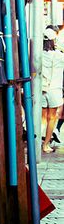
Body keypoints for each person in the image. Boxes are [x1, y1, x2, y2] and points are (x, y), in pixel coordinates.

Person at [41, 26, 64, 154]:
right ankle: (46, 144)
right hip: (54, 90)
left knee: (42, 117)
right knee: (52, 117)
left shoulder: (38, 54)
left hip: (42, 89)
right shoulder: (59, 56)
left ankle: (39, 140)